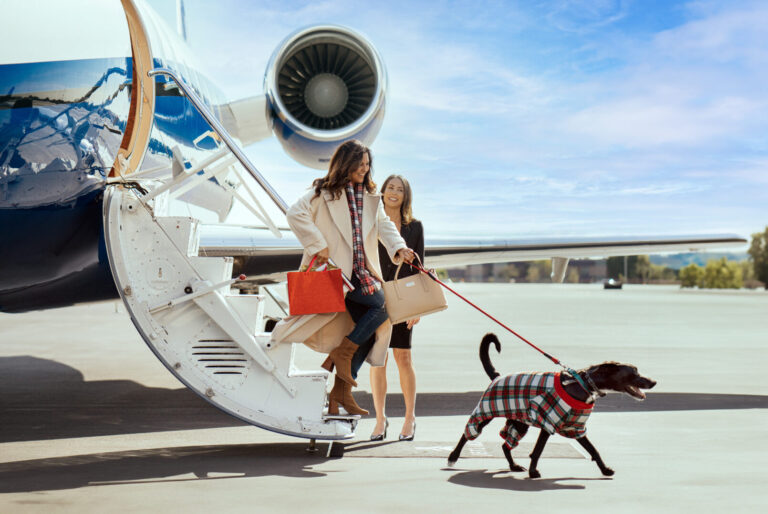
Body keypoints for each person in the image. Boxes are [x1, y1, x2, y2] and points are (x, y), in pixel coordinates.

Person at [284, 140, 415, 416]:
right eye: (360, 164)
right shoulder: (323, 191)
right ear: (347, 163)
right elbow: (295, 213)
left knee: (367, 332)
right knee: (383, 308)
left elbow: (384, 226)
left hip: (360, 271)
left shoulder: (369, 197)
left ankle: (339, 394)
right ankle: (341, 355)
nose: (365, 170)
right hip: (336, 272)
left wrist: (400, 247)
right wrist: (316, 243)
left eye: (368, 165)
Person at [369, 175, 424, 441]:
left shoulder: (415, 227)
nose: (393, 193)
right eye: (390, 188)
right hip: (376, 297)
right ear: (382, 192)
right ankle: (380, 420)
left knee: (404, 358)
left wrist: (417, 308)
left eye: (399, 189)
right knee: (378, 360)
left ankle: (410, 417)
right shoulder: (371, 223)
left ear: (405, 195)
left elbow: (418, 268)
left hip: (404, 299)